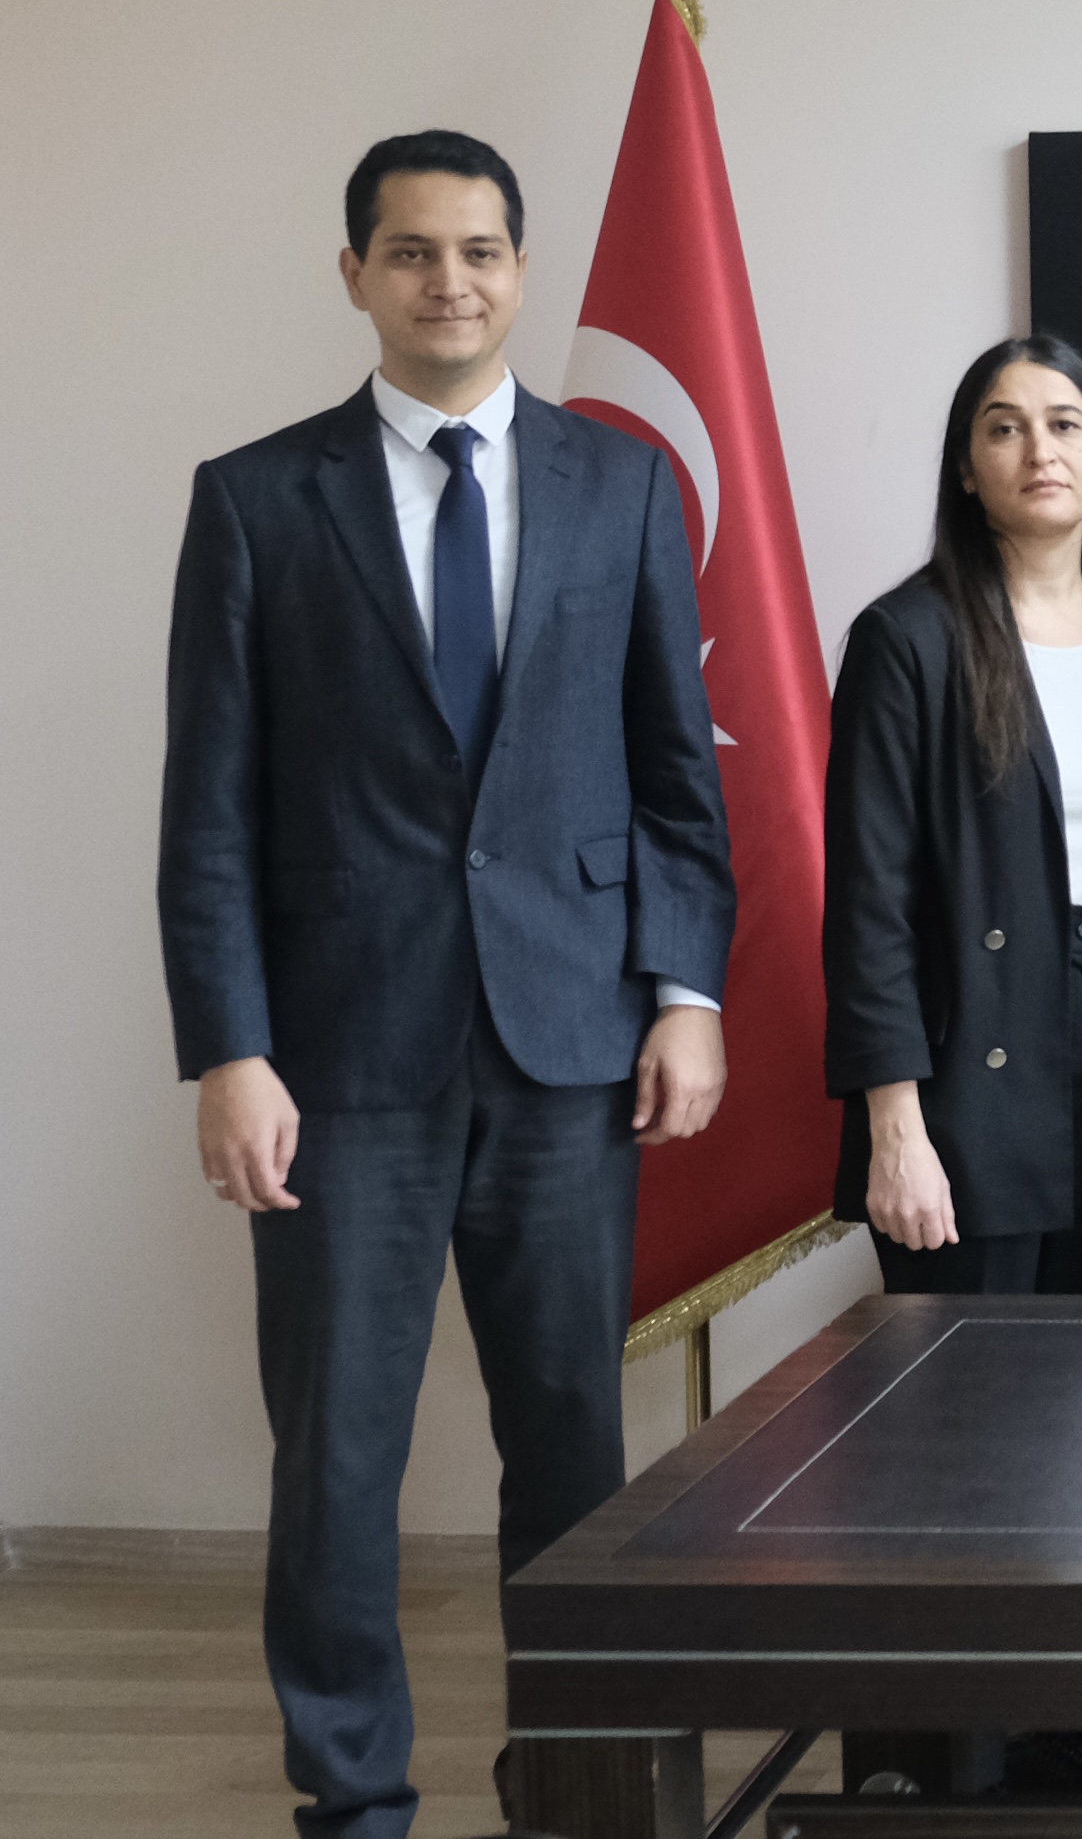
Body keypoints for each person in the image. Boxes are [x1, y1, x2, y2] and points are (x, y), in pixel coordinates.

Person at [159, 131, 734, 1839]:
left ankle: (571, 1784)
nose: (449, 281)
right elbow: (210, 811)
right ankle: (353, 1799)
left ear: (522, 269)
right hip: (338, 1060)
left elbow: (676, 777)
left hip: (572, 1045)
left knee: (569, 1447)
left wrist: (686, 989)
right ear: (355, 274)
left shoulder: (621, 484)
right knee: (338, 1455)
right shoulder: (258, 497)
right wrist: (230, 1048)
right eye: (411, 252)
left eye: (479, 250)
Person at [820, 336, 1082, 1800]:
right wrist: (893, 1126)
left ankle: (1056, 1722)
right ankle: (945, 1752)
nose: (1040, 450)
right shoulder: (907, 637)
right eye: (1005, 427)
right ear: (967, 467)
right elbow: (868, 901)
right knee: (961, 1428)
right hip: (970, 1068)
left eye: (1066, 423)